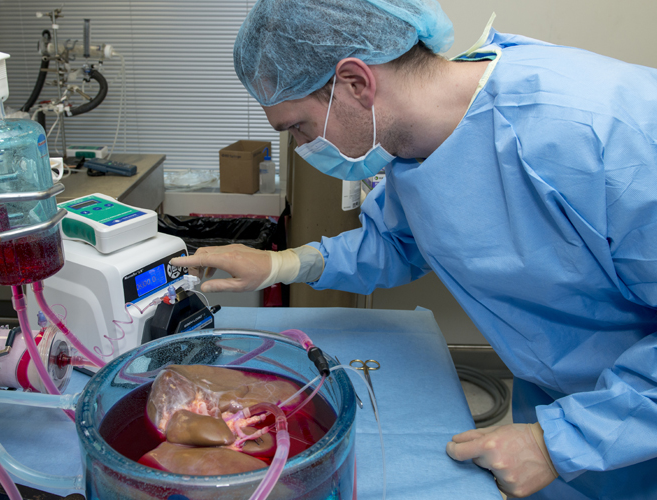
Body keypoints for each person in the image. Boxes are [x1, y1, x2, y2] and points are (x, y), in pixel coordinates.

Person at [170, 1, 657, 498]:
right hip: (565, 408)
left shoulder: (607, 135)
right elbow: (398, 241)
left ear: (356, 83)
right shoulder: (418, 145)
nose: (303, 146)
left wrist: (560, 443)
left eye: (298, 126)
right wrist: (279, 264)